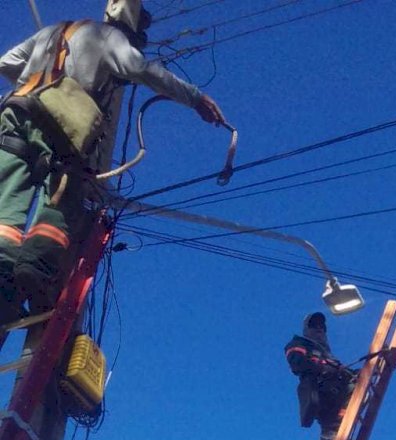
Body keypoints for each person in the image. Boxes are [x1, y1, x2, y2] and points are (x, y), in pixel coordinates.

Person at [0, 4, 226, 325]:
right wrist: (195, 98)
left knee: (6, 206)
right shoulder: (108, 37)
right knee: (62, 200)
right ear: (131, 32)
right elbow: (141, 69)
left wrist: (35, 82)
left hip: (16, 112)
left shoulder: (52, 31)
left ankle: (3, 281)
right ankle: (36, 269)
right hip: (61, 126)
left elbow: (7, 63)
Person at [285, 312, 358, 440]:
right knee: (330, 427)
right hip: (321, 391)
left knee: (354, 388)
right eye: (314, 326)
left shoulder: (326, 354)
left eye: (322, 327)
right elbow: (298, 363)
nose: (320, 329)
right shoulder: (299, 344)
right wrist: (323, 368)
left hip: (335, 391)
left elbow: (344, 374)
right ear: (306, 329)